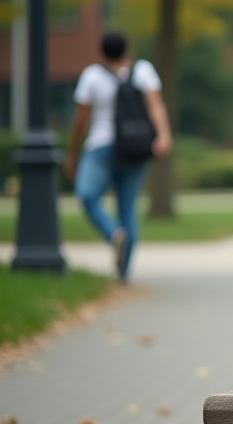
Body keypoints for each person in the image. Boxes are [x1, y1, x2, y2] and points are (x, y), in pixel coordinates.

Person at [64, 32, 173, 282]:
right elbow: (156, 104)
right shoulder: (143, 70)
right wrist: (164, 135)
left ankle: (113, 233)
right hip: (134, 148)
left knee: (87, 196)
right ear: (127, 50)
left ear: (101, 52)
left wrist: (72, 152)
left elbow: (80, 119)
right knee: (127, 208)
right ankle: (123, 273)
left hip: (100, 147)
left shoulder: (91, 75)